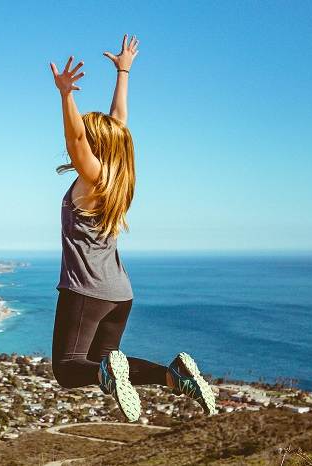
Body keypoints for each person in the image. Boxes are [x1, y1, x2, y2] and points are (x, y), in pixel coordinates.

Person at [49, 34, 216, 421]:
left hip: (84, 292)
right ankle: (173, 376)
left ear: (96, 147)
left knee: (69, 369)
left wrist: (65, 96)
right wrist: (123, 72)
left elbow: (76, 140)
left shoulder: (90, 181)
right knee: (106, 363)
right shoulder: (117, 180)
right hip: (119, 295)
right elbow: (118, 123)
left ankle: (111, 373)